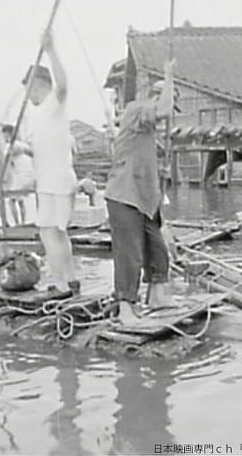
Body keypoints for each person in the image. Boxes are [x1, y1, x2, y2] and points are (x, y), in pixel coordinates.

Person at [105, 59, 177, 323]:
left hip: (146, 200)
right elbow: (164, 109)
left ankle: (157, 295)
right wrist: (169, 76)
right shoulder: (136, 109)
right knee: (130, 255)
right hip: (124, 196)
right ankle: (125, 307)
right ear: (153, 96)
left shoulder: (148, 131)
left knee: (158, 249)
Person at [23, 30, 78, 295]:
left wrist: (51, 50)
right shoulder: (41, 116)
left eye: (29, 89)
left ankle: (60, 284)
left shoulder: (52, 104)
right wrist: (21, 148)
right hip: (53, 180)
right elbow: (40, 150)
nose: (28, 97)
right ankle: (70, 278)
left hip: (55, 181)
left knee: (48, 233)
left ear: (38, 85)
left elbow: (64, 85)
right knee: (58, 232)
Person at [2, 124, 34, 225]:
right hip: (29, 176)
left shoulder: (10, 146)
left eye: (4, 134)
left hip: (20, 176)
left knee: (11, 201)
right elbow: (32, 154)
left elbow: (7, 164)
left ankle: (17, 224)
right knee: (20, 201)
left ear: (8, 134)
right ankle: (23, 222)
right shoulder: (23, 145)